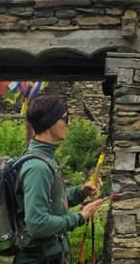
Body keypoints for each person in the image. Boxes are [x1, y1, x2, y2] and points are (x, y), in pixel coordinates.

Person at [14, 96, 104, 264]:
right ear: (51, 122)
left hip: (50, 256)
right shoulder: (38, 168)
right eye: (65, 118)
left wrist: (81, 192)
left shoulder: (46, 159)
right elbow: (37, 224)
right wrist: (80, 217)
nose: (68, 124)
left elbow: (53, 203)